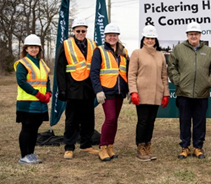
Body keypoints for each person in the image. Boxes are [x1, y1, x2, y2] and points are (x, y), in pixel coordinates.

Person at [168, 22, 211, 159]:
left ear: (200, 35)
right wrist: (177, 81)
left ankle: (198, 147)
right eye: (191, 34)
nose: (193, 36)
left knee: (200, 121)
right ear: (187, 35)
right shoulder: (178, 49)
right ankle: (185, 147)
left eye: (196, 34)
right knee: (184, 121)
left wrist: (209, 82)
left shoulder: (208, 51)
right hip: (183, 93)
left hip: (202, 93)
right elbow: (171, 67)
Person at [56, 17, 99, 159]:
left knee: (88, 118)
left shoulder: (93, 44)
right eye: (78, 30)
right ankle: (69, 147)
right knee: (72, 119)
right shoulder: (66, 45)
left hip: (88, 88)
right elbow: (60, 69)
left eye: (83, 30)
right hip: (72, 88)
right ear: (73, 31)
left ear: (86, 31)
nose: (81, 33)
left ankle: (86, 145)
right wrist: (62, 89)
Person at [128, 25, 170, 161]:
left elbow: (164, 76)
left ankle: (147, 145)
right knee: (143, 121)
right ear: (143, 39)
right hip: (142, 94)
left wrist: (166, 94)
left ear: (155, 40)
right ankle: (140, 147)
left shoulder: (160, 55)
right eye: (147, 38)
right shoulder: (137, 53)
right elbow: (131, 74)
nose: (150, 40)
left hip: (156, 94)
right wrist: (133, 91)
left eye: (152, 38)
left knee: (151, 122)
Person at [90, 23, 129, 161]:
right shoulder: (99, 51)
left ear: (118, 37)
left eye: (114, 35)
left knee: (115, 120)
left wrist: (128, 89)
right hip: (106, 91)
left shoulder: (123, 51)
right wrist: (98, 91)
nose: (112, 37)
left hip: (120, 91)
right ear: (105, 37)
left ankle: (110, 146)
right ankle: (102, 147)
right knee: (110, 118)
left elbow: (127, 72)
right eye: (110, 35)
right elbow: (94, 73)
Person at [14, 34, 52, 164]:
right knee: (27, 128)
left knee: (35, 128)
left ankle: (31, 154)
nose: (34, 49)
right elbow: (22, 82)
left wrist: (48, 93)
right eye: (31, 47)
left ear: (39, 49)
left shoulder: (42, 63)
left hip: (40, 103)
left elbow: (47, 80)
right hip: (27, 102)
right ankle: (24, 156)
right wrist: (38, 94)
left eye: (36, 47)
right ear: (26, 49)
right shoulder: (22, 63)